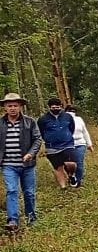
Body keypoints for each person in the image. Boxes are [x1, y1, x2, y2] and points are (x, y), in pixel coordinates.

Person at [2, 92, 41, 232]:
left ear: (20, 107)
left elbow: (37, 139)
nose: (12, 108)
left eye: (15, 105)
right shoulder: (1, 123)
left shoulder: (30, 122)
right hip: (8, 165)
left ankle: (31, 217)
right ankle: (13, 220)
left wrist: (31, 153)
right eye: (9, 105)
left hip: (27, 165)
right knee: (12, 190)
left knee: (29, 192)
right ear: (5, 107)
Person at [37, 96, 79, 189]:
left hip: (67, 144)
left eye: (57, 107)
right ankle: (63, 187)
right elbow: (41, 131)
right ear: (49, 107)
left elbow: (72, 128)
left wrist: (66, 136)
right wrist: (49, 139)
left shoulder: (67, 116)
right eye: (53, 107)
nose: (55, 109)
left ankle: (71, 175)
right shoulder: (43, 119)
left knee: (71, 164)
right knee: (58, 167)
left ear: (61, 106)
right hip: (52, 147)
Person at [65, 104, 93, 186]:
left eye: (73, 111)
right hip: (67, 144)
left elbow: (85, 132)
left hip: (80, 143)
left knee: (79, 163)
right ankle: (71, 176)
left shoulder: (79, 119)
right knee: (67, 163)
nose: (72, 112)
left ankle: (78, 180)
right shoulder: (62, 120)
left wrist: (89, 144)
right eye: (70, 110)